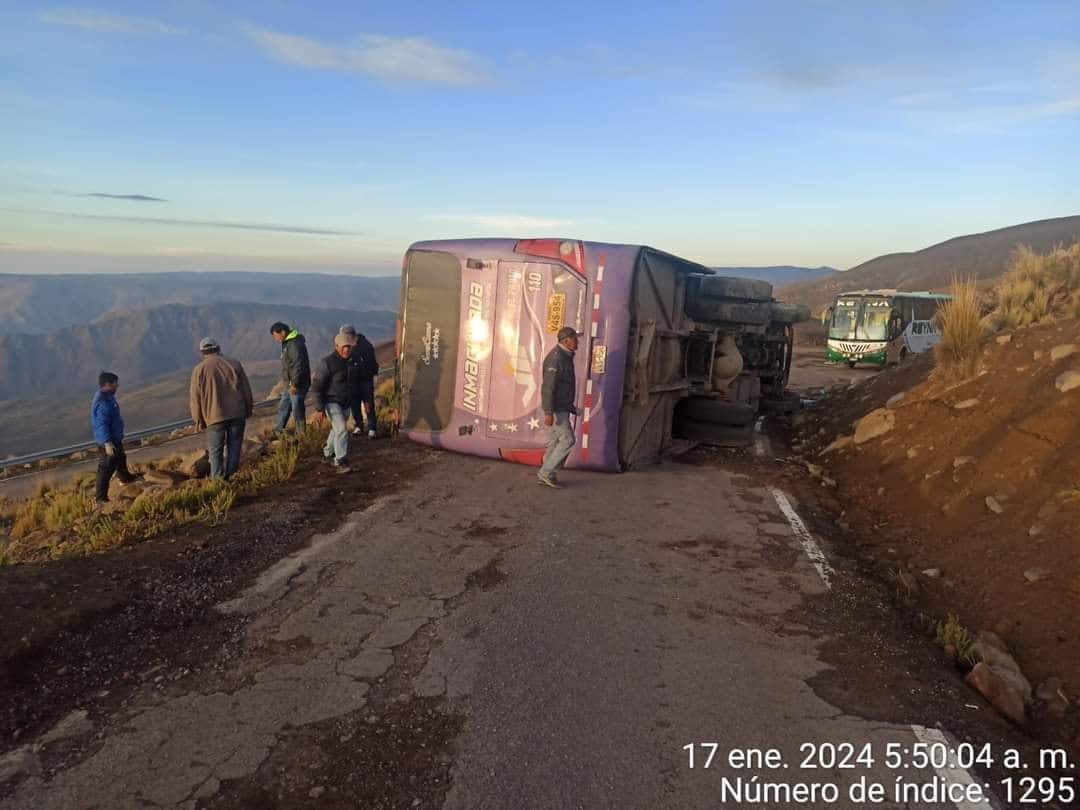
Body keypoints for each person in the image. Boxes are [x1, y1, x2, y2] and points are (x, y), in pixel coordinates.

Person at [189, 338, 254, 480]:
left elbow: (196, 398)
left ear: (202, 352)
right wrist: (248, 408)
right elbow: (246, 389)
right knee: (235, 446)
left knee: (216, 450)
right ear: (218, 348)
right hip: (237, 413)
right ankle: (231, 476)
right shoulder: (234, 364)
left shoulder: (199, 370)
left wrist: (198, 420)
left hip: (214, 416)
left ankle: (218, 481)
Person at [538, 326, 581, 489]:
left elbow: (563, 387)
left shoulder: (565, 357)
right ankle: (546, 472)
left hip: (561, 407)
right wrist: (548, 412)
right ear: (567, 341)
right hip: (556, 409)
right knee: (568, 440)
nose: (578, 341)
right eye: (575, 338)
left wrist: (572, 408)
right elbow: (548, 387)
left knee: (556, 441)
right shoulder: (556, 359)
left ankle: (548, 474)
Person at [91, 371, 138, 504]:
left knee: (120, 457)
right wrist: (107, 442)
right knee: (106, 467)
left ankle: (124, 478)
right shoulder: (102, 401)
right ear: (107, 384)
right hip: (108, 440)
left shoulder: (108, 397)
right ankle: (100, 498)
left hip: (114, 437)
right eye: (115, 383)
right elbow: (102, 424)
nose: (117, 385)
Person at [312, 334, 354, 473]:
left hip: (346, 402)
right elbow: (317, 386)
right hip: (331, 401)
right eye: (343, 347)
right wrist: (319, 409)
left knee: (336, 429)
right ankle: (341, 460)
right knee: (341, 429)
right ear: (336, 347)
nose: (346, 349)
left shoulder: (352, 361)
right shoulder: (327, 363)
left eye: (348, 346)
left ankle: (327, 453)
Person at [339, 324, 378, 438]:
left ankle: (372, 428)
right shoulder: (349, 348)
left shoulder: (366, 346)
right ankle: (359, 426)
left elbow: (373, 365)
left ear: (350, 335)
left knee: (368, 404)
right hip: (353, 381)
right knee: (354, 404)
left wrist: (369, 376)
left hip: (366, 380)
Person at [271, 322, 310, 433]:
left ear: (283, 332)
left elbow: (298, 365)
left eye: (276, 335)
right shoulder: (287, 343)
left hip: (297, 384)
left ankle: (301, 435)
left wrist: (295, 384)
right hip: (289, 383)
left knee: (297, 409)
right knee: (284, 406)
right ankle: (278, 431)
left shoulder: (294, 344)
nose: (275, 339)